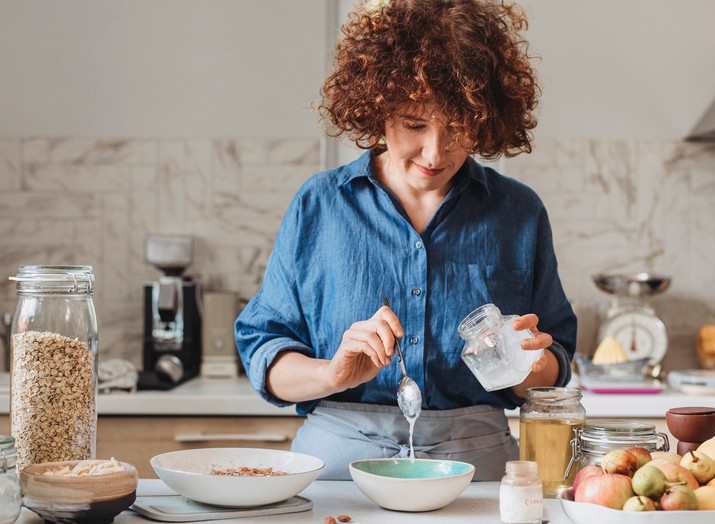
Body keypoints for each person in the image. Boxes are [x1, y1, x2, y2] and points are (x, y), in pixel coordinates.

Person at [235, 0, 577, 481]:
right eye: (415, 125)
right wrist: (330, 373)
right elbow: (265, 350)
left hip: (478, 457)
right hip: (338, 457)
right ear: (378, 108)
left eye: (458, 128)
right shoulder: (320, 205)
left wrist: (530, 366)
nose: (435, 152)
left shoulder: (518, 212)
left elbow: (556, 364)